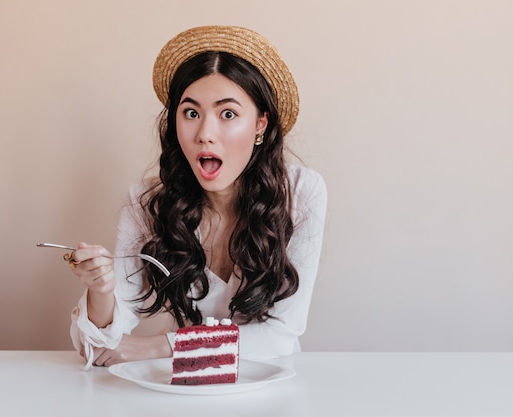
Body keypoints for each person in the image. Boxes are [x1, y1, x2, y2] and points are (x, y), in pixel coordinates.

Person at [67, 26, 327, 369]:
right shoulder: (147, 203)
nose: (205, 134)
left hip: (266, 387)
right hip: (178, 391)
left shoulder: (301, 194)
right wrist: (101, 290)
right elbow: (96, 348)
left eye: (228, 114)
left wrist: (163, 346)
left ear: (260, 124)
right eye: (191, 113)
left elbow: (280, 335)